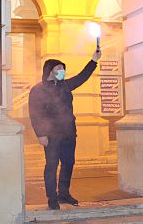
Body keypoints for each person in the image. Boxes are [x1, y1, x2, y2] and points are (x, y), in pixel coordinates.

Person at [29, 48, 101, 210]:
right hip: (51, 135)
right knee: (51, 165)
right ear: (50, 71)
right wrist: (41, 134)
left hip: (68, 133)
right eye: (59, 68)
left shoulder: (66, 85)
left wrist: (93, 60)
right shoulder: (38, 90)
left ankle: (64, 194)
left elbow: (82, 77)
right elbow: (35, 114)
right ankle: (52, 198)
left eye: (63, 68)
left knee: (68, 163)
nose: (62, 71)